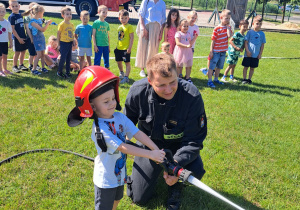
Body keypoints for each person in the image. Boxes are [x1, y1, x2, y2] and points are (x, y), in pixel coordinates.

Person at [67, 66, 165, 210]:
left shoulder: (119, 117)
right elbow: (122, 147)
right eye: (106, 101)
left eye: (113, 98)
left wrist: (155, 148)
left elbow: (137, 133)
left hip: (119, 175)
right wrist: (150, 154)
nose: (112, 103)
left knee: (117, 200)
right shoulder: (99, 128)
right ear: (92, 106)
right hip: (106, 180)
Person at [124, 53, 207, 210]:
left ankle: (175, 188)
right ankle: (148, 176)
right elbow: (124, 126)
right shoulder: (137, 91)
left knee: (195, 170)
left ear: (178, 75)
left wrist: (175, 165)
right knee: (139, 197)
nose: (168, 90)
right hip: (149, 147)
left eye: (172, 82)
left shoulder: (192, 96)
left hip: (179, 146)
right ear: (149, 81)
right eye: (161, 85)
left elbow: (194, 140)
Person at [135, 0, 166, 77]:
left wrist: (161, 32)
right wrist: (143, 28)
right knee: (143, 47)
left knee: (153, 49)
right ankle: (142, 69)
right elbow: (141, 15)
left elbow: (163, 19)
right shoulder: (146, 1)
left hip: (156, 28)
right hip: (146, 26)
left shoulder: (162, 3)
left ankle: (150, 69)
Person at [207, 9, 233, 88]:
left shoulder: (228, 28)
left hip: (223, 51)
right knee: (212, 67)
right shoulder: (216, 29)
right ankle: (209, 81)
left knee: (219, 67)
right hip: (216, 51)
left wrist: (228, 28)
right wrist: (211, 51)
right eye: (226, 18)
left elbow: (229, 36)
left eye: (229, 18)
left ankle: (216, 79)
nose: (228, 20)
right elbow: (213, 41)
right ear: (221, 18)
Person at [28, 4, 52, 75]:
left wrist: (47, 22)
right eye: (42, 13)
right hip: (37, 39)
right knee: (38, 55)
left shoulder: (39, 20)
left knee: (42, 54)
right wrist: (47, 24)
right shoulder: (33, 22)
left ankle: (43, 67)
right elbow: (42, 29)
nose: (43, 15)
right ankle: (34, 69)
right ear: (39, 13)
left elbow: (42, 21)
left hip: (42, 38)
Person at [241, 15, 266, 84]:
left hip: (256, 55)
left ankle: (249, 79)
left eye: (260, 24)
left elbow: (262, 45)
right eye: (257, 24)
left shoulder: (262, 34)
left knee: (252, 68)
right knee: (246, 67)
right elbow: (246, 42)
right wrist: (247, 51)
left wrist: (260, 54)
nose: (258, 25)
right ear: (253, 24)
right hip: (248, 55)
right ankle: (244, 79)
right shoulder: (249, 32)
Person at [173, 19, 197, 83]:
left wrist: (194, 38)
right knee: (179, 65)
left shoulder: (188, 34)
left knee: (189, 65)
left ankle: (188, 77)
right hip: (180, 51)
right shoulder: (178, 34)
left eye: (187, 26)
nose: (186, 28)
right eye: (184, 26)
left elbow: (190, 43)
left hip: (187, 51)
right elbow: (177, 43)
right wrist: (186, 46)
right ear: (180, 26)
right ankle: (179, 77)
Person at [8, 0, 29, 73]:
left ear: (19, 6)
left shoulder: (19, 14)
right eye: (13, 6)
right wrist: (19, 38)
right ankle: (14, 66)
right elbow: (12, 29)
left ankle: (21, 64)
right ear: (10, 7)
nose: (15, 7)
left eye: (16, 6)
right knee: (17, 52)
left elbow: (25, 14)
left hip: (23, 36)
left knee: (23, 51)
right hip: (17, 38)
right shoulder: (12, 17)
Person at [114, 9, 134, 84]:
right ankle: (121, 73)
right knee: (119, 62)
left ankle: (126, 77)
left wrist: (129, 47)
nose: (124, 20)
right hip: (119, 48)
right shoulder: (119, 27)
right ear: (119, 18)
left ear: (128, 18)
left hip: (126, 49)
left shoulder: (130, 27)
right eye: (122, 18)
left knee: (127, 63)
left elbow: (132, 37)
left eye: (126, 18)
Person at [57, 6, 75, 78]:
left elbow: (72, 34)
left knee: (68, 58)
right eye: (67, 14)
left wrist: (73, 40)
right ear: (63, 15)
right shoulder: (61, 24)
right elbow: (58, 35)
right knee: (63, 58)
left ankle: (68, 72)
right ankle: (59, 71)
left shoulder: (71, 25)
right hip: (63, 43)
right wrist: (59, 44)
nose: (69, 15)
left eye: (70, 14)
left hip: (69, 43)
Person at [24, 2, 38, 72]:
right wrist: (31, 38)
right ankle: (30, 64)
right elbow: (27, 29)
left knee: (36, 52)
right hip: (30, 38)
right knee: (32, 53)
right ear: (29, 9)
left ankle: (36, 64)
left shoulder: (38, 18)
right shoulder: (27, 18)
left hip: (37, 38)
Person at [0, 3, 13, 77]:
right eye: (0, 11)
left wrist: (10, 42)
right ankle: (0, 70)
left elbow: (9, 33)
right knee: (0, 57)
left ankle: (5, 69)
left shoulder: (7, 22)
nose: (1, 13)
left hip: (5, 42)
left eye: (3, 11)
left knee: (5, 56)